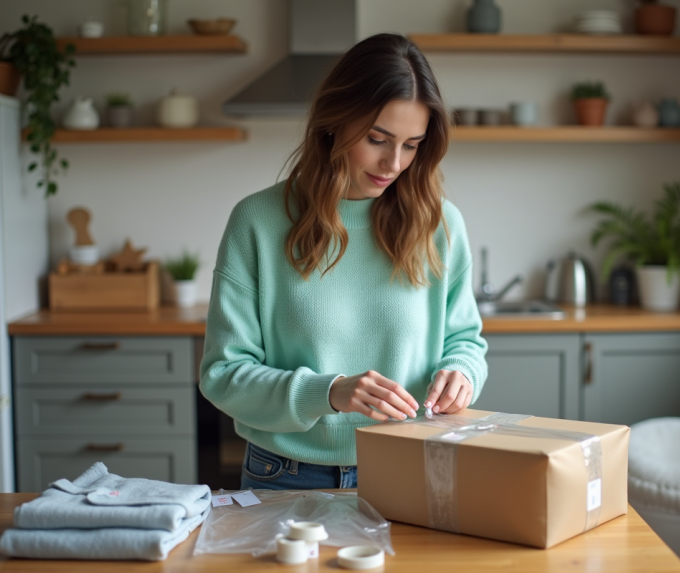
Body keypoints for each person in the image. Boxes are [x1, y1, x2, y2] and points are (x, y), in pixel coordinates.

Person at [199, 33, 487, 491]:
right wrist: (328, 392)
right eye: (378, 139)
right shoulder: (256, 222)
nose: (393, 163)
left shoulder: (440, 223)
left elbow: (465, 341)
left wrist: (463, 374)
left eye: (412, 145)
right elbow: (224, 376)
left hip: (410, 465)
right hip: (285, 475)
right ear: (335, 120)